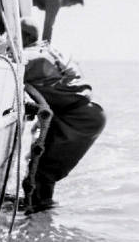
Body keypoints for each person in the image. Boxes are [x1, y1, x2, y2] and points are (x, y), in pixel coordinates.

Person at [21, 18, 105, 211]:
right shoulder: (49, 50)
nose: (3, 41)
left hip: (79, 119)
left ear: (24, 36)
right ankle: (38, 213)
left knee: (44, 172)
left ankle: (38, 215)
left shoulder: (33, 57)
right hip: (84, 113)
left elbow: (15, 66)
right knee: (41, 169)